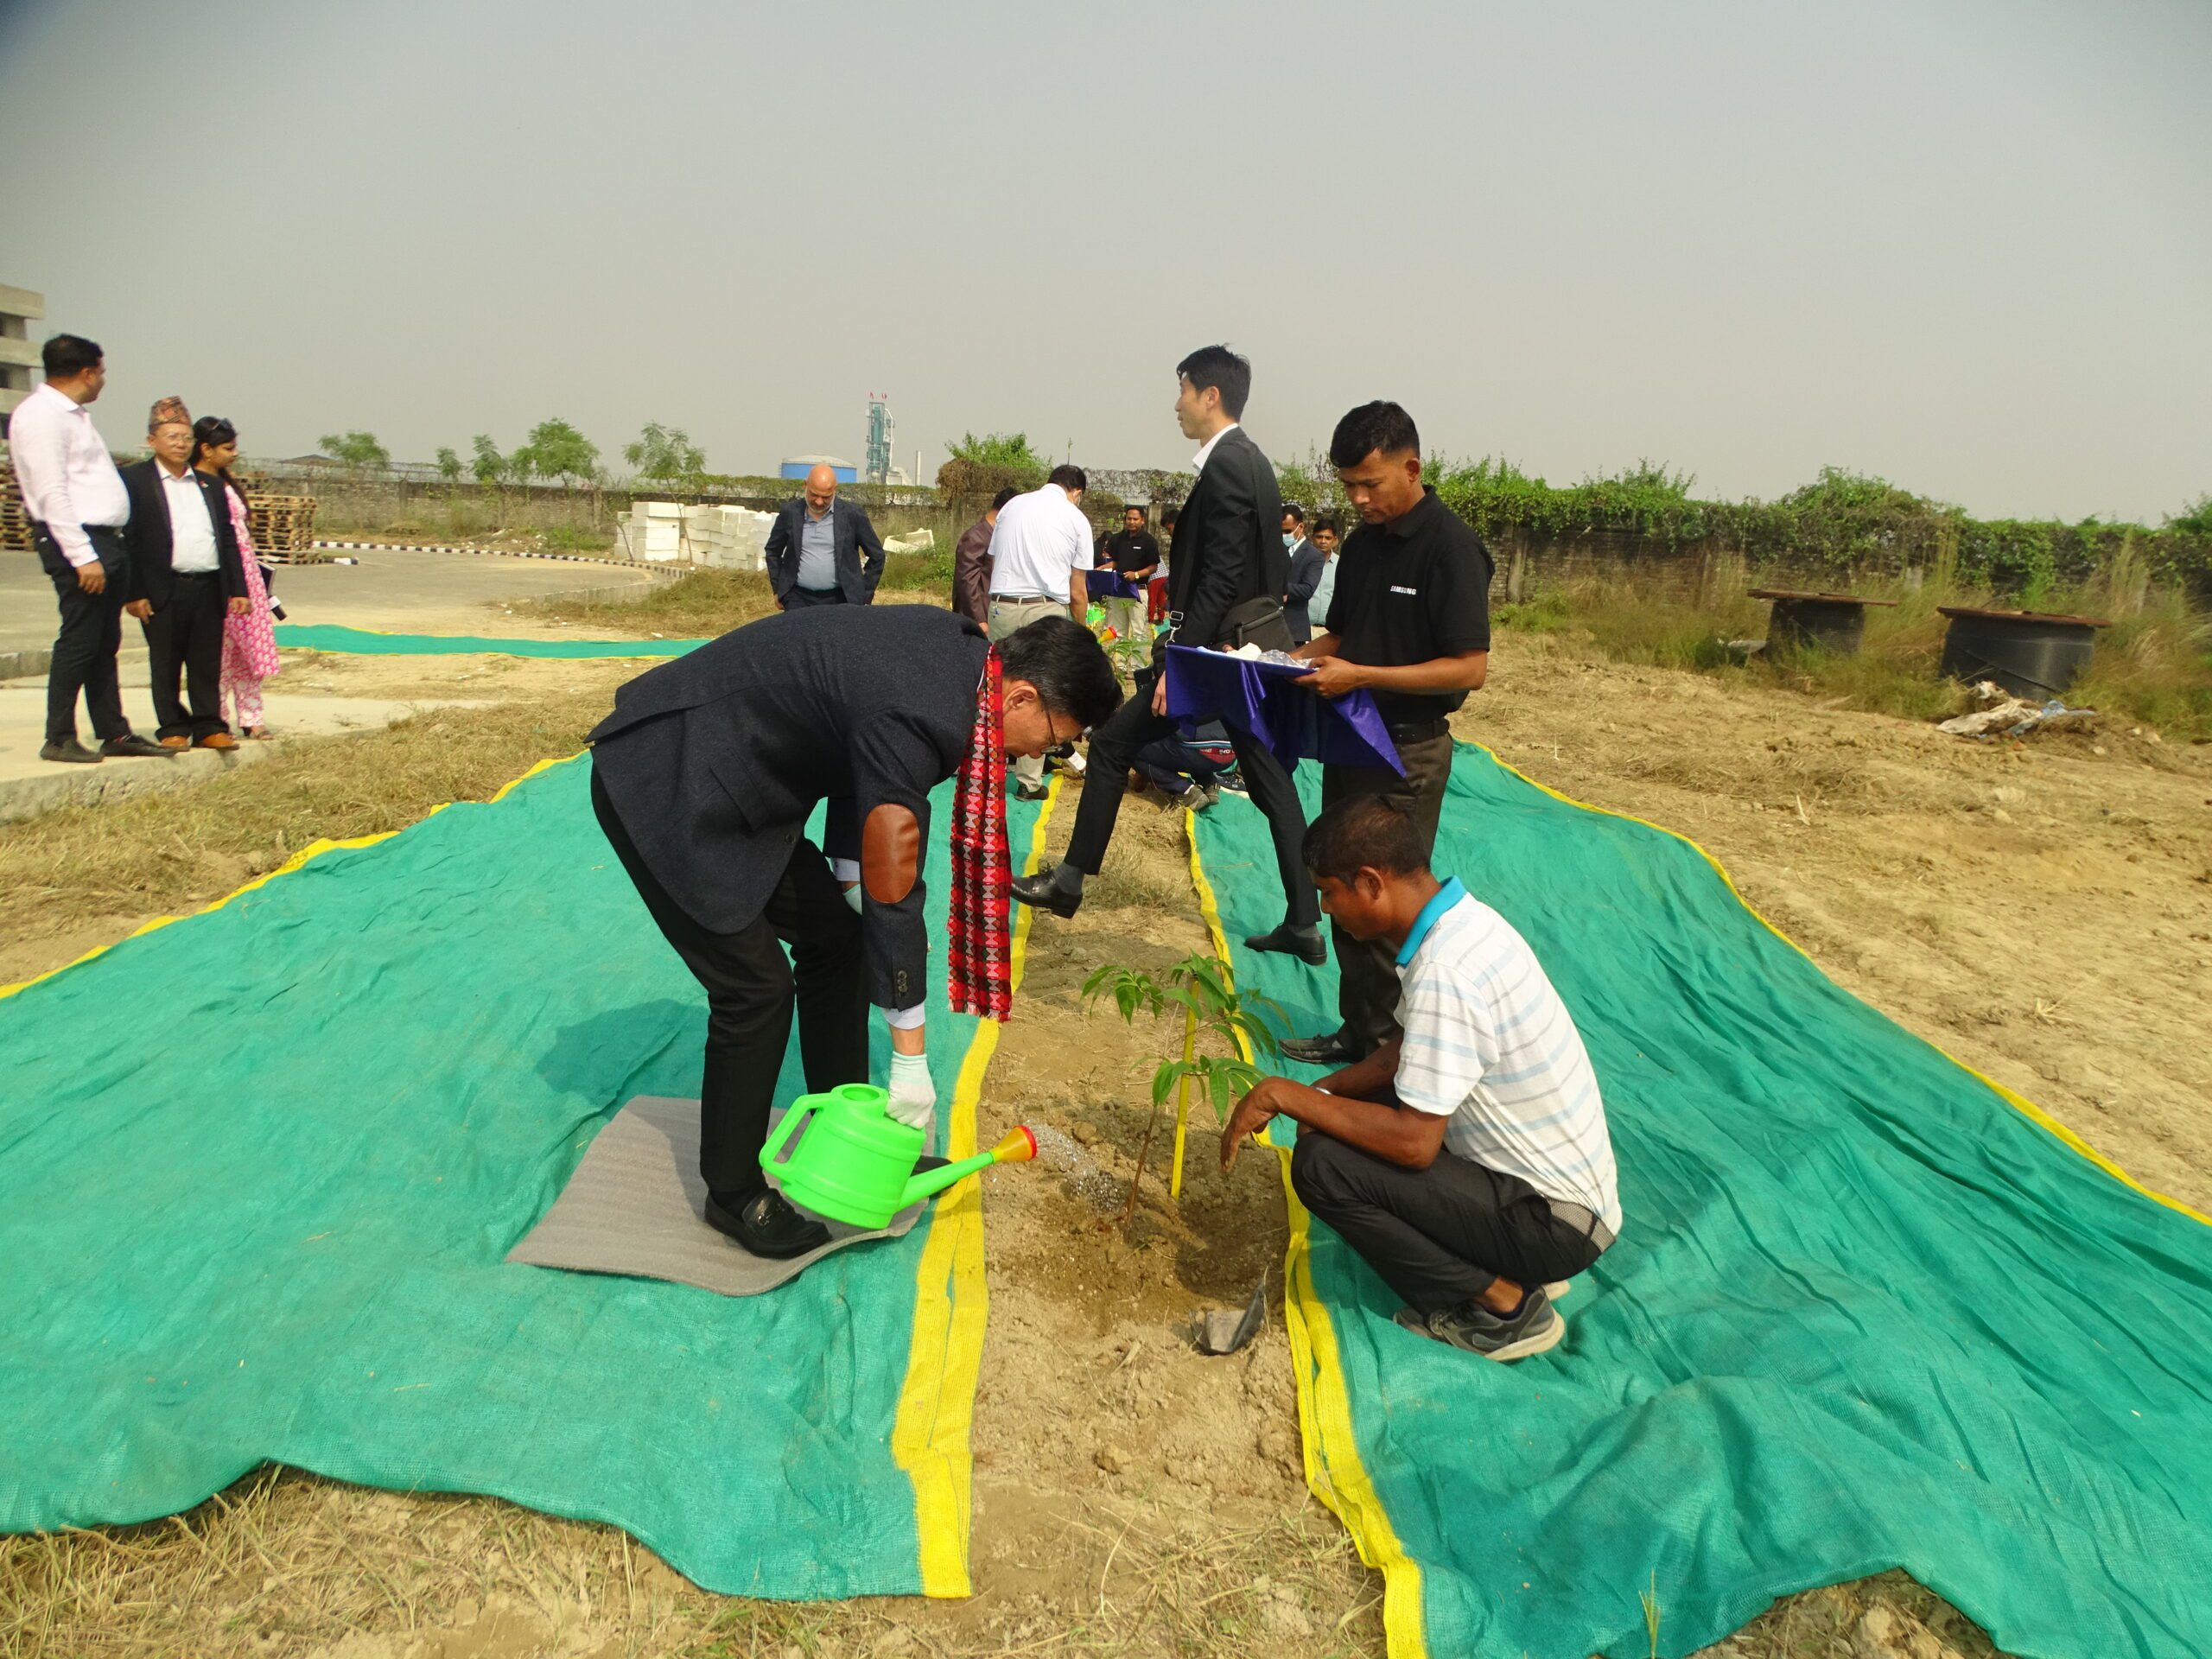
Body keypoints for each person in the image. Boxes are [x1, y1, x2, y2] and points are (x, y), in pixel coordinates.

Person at [588, 607, 1121, 1259]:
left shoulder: (963, 663)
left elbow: (858, 760)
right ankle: (731, 1193)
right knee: (755, 991)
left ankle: (846, 1130)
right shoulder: (925, 709)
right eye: (1056, 738)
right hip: (666, 779)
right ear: (1022, 697)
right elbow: (893, 879)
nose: (1042, 754)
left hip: (741, 778)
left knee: (839, 940)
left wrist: (848, 886)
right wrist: (910, 1060)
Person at [1220, 795, 1620, 1361]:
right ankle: (1507, 1264)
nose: (1326, 910)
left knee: (1323, 1166)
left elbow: (1413, 1144)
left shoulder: (1444, 971)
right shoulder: (1463, 925)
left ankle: (1505, 1305)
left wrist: (1286, 1095)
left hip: (1553, 1224)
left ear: (1370, 882)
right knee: (1341, 1121)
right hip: (1566, 1202)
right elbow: (1403, 1054)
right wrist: (1322, 1095)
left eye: (1329, 892)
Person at [1014, 346, 1322, 965]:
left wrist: (1179, 660)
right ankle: (1306, 923)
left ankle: (1069, 881)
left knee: (1110, 745)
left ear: (1210, 395)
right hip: (1247, 650)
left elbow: (1221, 575)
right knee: (1271, 784)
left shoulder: (1229, 463)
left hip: (1219, 656)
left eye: (1182, 390)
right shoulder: (1253, 461)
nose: (1176, 404)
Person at [1279, 403, 1493, 1067]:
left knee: (1386, 901)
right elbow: (1342, 634)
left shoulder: (1450, 549)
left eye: (1370, 484)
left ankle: (1395, 1054)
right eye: (1349, 486)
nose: (1359, 499)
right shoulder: (1364, 544)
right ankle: (1360, 1031)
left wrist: (1362, 675)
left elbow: (1470, 667)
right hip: (1351, 737)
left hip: (1406, 750)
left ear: (1412, 468)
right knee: (1344, 887)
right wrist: (1284, 661)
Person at [10, 335, 172, 765]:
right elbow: (51, 492)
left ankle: (113, 731)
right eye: (101, 371)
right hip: (78, 540)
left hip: (105, 539)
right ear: (87, 372)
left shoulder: (74, 416)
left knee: (104, 641)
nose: (103, 380)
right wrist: (82, 555)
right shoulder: (42, 416)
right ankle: (59, 736)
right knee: (80, 639)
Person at [119, 398, 249, 751]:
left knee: (206, 662)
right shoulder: (135, 480)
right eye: (172, 437)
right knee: (166, 662)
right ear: (152, 441)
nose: (180, 444)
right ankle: (173, 727)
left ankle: (209, 726)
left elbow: (227, 539)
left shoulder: (209, 485)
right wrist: (133, 592)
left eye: (186, 438)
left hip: (207, 585)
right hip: (162, 589)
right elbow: (128, 539)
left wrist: (238, 588)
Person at [983, 466, 1095, 802]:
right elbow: (1077, 590)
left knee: (995, 687)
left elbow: (994, 563)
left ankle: (984, 772)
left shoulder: (1012, 506)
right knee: (1040, 693)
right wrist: (1081, 632)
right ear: (1076, 491)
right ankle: (1029, 783)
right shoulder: (1075, 518)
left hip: (1002, 605)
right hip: (1044, 608)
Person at [191, 417, 281, 737]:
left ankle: (252, 717)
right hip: (216, 573)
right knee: (218, 654)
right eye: (228, 448)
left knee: (249, 650)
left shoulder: (226, 485)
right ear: (206, 449)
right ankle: (216, 720)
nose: (235, 454)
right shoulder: (192, 486)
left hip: (246, 573)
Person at [763, 462, 886, 609]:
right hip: (797, 598)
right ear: (805, 485)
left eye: (826, 497)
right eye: (814, 495)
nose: (819, 501)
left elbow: (877, 556)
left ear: (835, 490)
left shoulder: (852, 515)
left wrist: (864, 595)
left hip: (842, 599)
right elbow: (772, 551)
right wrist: (778, 589)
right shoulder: (790, 513)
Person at [1131, 719, 1239, 812]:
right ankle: (1209, 783)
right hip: (1231, 752)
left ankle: (1185, 790)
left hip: (1195, 750)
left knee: (1131, 748)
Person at [953, 486, 1018, 628]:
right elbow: (966, 581)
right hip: (976, 618)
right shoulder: (976, 536)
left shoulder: (994, 534)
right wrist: (979, 620)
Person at [1100, 503, 1161, 644]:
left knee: (1138, 632)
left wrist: (1136, 574)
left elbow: (1153, 567)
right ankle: (1119, 659)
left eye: (1135, 519)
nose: (1131, 522)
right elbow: (1116, 562)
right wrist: (1102, 568)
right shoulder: (1117, 539)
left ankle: (1137, 659)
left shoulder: (1149, 541)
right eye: (1129, 519)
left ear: (1142, 520)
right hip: (1118, 590)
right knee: (1117, 631)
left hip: (1137, 591)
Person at [1283, 504, 1330, 644]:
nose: (1283, 535)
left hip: (1294, 630)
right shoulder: (1274, 550)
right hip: (1269, 626)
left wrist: (1281, 589)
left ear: (1301, 527)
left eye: (1287, 531)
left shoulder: (1314, 556)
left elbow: (1308, 589)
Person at [1306, 515, 1342, 629]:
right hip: (1305, 628)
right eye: (1319, 537)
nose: (1323, 541)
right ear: (1312, 538)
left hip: (1330, 630)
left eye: (1328, 538)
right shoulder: (1302, 562)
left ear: (1335, 540)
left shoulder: (1341, 564)